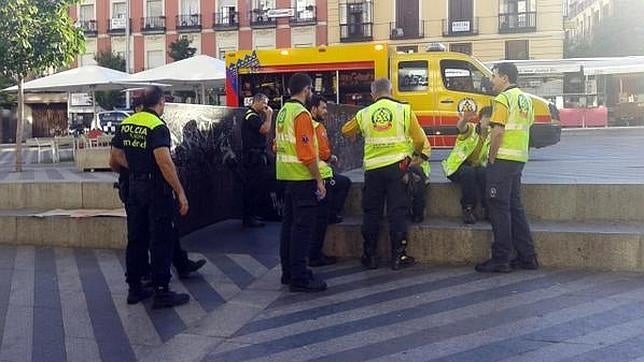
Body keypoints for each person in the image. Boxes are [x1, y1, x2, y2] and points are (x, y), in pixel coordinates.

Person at [109, 86, 191, 308]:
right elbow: (164, 161)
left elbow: (115, 157)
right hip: (156, 190)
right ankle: (162, 291)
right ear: (161, 102)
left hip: (134, 188)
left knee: (136, 238)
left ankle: (134, 289)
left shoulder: (126, 123)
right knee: (160, 239)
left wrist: (135, 168)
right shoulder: (157, 126)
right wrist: (180, 191)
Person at [342, 78, 426, 270]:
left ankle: (369, 256)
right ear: (391, 91)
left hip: (372, 170)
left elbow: (345, 130)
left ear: (373, 94)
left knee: (372, 212)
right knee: (398, 211)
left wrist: (357, 134)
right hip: (398, 168)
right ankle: (398, 257)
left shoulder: (364, 113)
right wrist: (413, 156)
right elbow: (420, 139)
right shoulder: (404, 110)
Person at [475, 62, 539, 273]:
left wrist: (491, 158)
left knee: (498, 209)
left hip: (502, 160)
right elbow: (527, 126)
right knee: (515, 207)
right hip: (518, 159)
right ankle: (527, 257)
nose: (491, 80)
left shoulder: (503, 99)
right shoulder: (526, 99)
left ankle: (501, 258)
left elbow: (498, 132)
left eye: (494, 76)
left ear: (504, 77)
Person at [276, 73, 328, 292]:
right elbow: (307, 154)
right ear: (306, 90)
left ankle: (288, 272)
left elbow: (275, 146)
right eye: (310, 91)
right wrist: (319, 180)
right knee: (302, 229)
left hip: (286, 176)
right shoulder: (302, 114)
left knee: (288, 227)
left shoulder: (283, 112)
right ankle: (299, 277)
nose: (311, 94)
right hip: (302, 177)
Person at [307, 95, 351, 267]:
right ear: (314, 108)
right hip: (321, 176)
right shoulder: (318, 127)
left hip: (302, 176)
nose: (326, 111)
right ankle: (315, 256)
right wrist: (331, 157)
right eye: (323, 108)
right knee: (321, 219)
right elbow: (324, 153)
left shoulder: (300, 123)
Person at [441, 106, 493, 224]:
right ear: (480, 119)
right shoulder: (472, 129)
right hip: (457, 167)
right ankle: (468, 209)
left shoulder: (492, 136)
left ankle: (488, 208)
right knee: (468, 172)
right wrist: (464, 119)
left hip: (476, 168)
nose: (489, 121)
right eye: (487, 117)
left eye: (492, 118)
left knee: (483, 173)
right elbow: (461, 128)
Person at [241, 93, 273, 227]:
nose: (266, 106)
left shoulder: (255, 115)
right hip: (252, 157)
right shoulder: (251, 116)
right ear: (257, 101)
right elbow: (265, 129)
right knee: (252, 187)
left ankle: (253, 214)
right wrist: (269, 115)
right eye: (265, 103)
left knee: (257, 187)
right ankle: (249, 217)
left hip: (257, 155)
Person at [406, 137, 431, 223]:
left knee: (417, 176)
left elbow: (425, 153)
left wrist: (406, 167)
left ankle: (418, 213)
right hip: (395, 167)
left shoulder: (417, 131)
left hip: (417, 166)